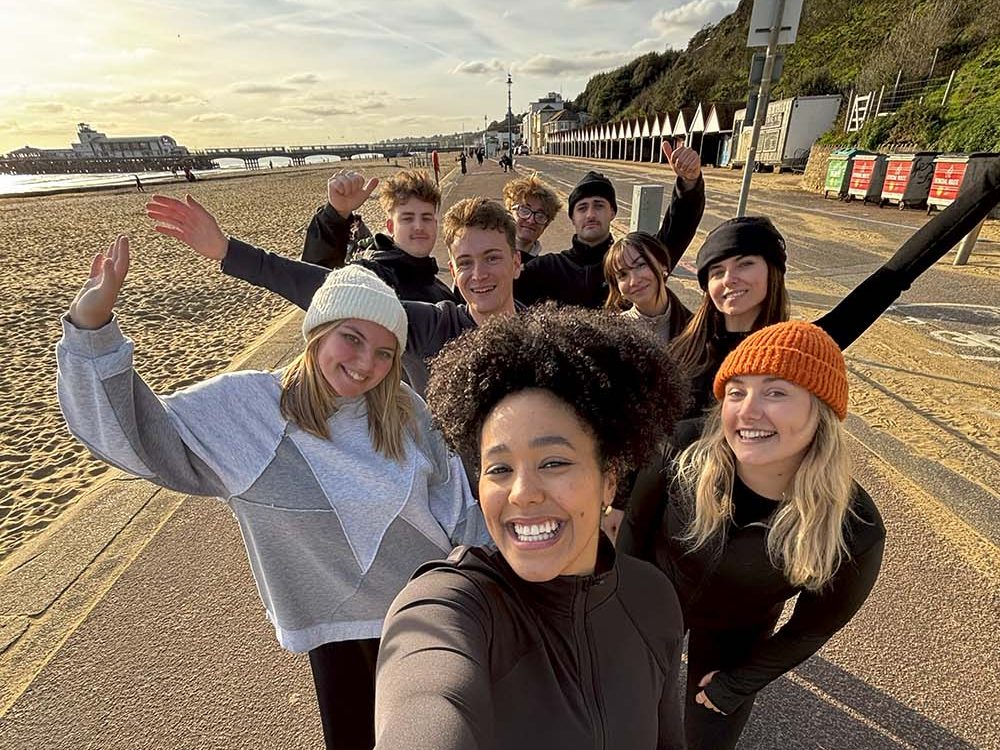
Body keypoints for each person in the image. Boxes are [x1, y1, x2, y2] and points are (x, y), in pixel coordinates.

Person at [57, 243, 486, 750]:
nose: (365, 363)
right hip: (337, 636)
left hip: (428, 610)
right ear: (319, 332)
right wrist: (93, 327)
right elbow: (137, 437)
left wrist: (497, 581)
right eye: (352, 338)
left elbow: (457, 506)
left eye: (384, 351)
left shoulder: (402, 410)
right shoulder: (251, 409)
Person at [374, 305, 689, 749]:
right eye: (499, 468)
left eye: (554, 462)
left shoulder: (653, 600)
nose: (522, 493)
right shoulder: (452, 606)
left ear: (609, 481)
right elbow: (426, 699)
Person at [621, 321, 885, 749]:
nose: (747, 410)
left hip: (737, 634)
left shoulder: (855, 529)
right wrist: (622, 607)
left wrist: (739, 683)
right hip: (653, 598)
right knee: (622, 715)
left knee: (700, 739)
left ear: (820, 411)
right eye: (737, 391)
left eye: (776, 392)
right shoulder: (681, 447)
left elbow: (811, 629)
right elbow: (635, 527)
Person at [669, 159, 1000, 421]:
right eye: (716, 272)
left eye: (745, 264)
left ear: (772, 273)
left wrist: (990, 183)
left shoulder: (801, 351)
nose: (730, 279)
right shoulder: (682, 345)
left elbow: (894, 275)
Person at [145, 195, 523, 398]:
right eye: (466, 262)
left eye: (493, 258)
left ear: (517, 263)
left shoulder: (543, 332)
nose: (480, 275)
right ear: (453, 272)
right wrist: (230, 251)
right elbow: (332, 292)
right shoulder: (431, 326)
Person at [513, 142, 705, 309]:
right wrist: (520, 237)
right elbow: (500, 283)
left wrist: (689, 184)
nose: (590, 214)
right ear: (572, 217)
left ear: (612, 212)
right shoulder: (548, 268)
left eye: (599, 205)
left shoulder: (636, 260)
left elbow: (678, 229)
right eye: (582, 208)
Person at [604, 230, 693, 345]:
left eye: (641, 265)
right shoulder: (611, 333)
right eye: (622, 275)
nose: (634, 281)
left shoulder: (697, 329)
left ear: (663, 264)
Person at [501, 173, 561, 265]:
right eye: (524, 210)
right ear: (509, 213)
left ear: (545, 226)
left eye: (540, 215)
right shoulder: (487, 258)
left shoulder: (545, 271)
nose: (531, 220)